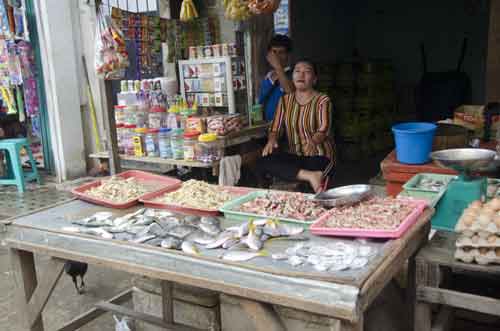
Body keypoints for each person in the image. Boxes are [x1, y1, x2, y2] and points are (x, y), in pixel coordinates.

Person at [259, 59, 335, 193]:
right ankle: (311, 176)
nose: (301, 75)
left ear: (315, 79)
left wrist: (313, 141)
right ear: (292, 77)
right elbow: (275, 128)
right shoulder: (285, 101)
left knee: (316, 167)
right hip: (295, 156)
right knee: (265, 161)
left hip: (319, 156)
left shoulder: (322, 100)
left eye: (307, 72)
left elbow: (324, 129)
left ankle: (313, 176)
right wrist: (272, 140)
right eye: (297, 71)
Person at [258, 34, 294, 121]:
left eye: (281, 52)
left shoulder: (293, 74)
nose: (276, 56)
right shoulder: (268, 76)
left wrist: (278, 67)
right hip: (267, 127)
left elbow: (290, 92)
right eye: (274, 52)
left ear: (288, 55)